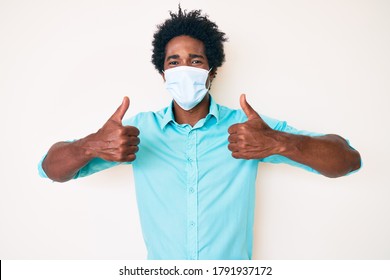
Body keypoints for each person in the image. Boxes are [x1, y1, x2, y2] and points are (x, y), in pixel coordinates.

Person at [38, 6, 361, 260]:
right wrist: (90, 146)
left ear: (211, 70)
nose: (184, 69)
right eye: (174, 62)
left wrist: (279, 142)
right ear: (163, 72)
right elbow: (49, 169)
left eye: (195, 60)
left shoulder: (250, 129)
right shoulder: (138, 130)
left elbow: (347, 161)